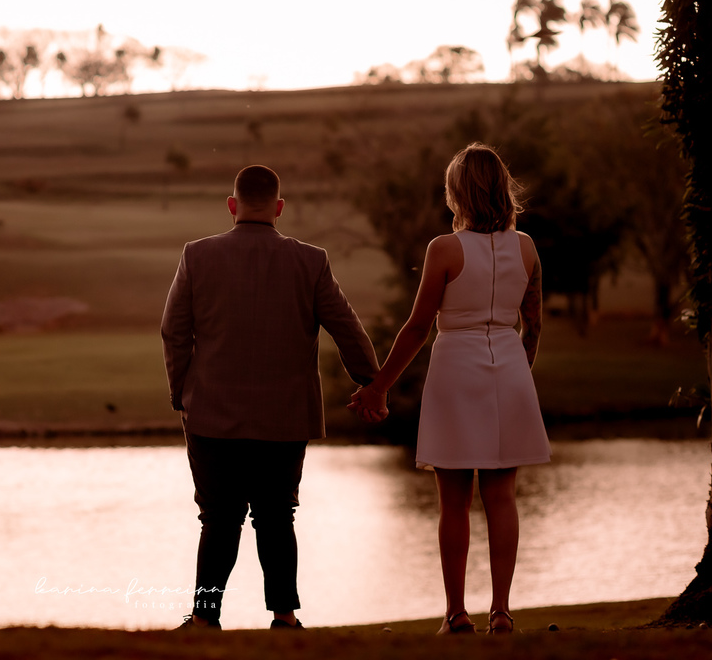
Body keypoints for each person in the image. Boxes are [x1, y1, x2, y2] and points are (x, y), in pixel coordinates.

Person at [161, 164, 379, 630]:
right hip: (285, 416)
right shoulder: (310, 261)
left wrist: (182, 392)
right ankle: (284, 615)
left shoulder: (197, 255)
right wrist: (370, 383)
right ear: (279, 208)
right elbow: (347, 328)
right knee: (277, 514)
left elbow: (174, 332)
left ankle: (204, 618)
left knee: (218, 518)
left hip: (211, 413)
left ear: (232, 205)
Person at [350, 142, 550, 636]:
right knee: (502, 498)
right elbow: (534, 323)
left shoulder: (445, 249)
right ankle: (501, 611)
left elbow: (418, 328)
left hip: (456, 368)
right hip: (508, 365)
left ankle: (455, 613)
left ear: (457, 192)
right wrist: (518, 369)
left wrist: (379, 387)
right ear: (502, 188)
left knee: (454, 502)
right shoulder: (525, 247)